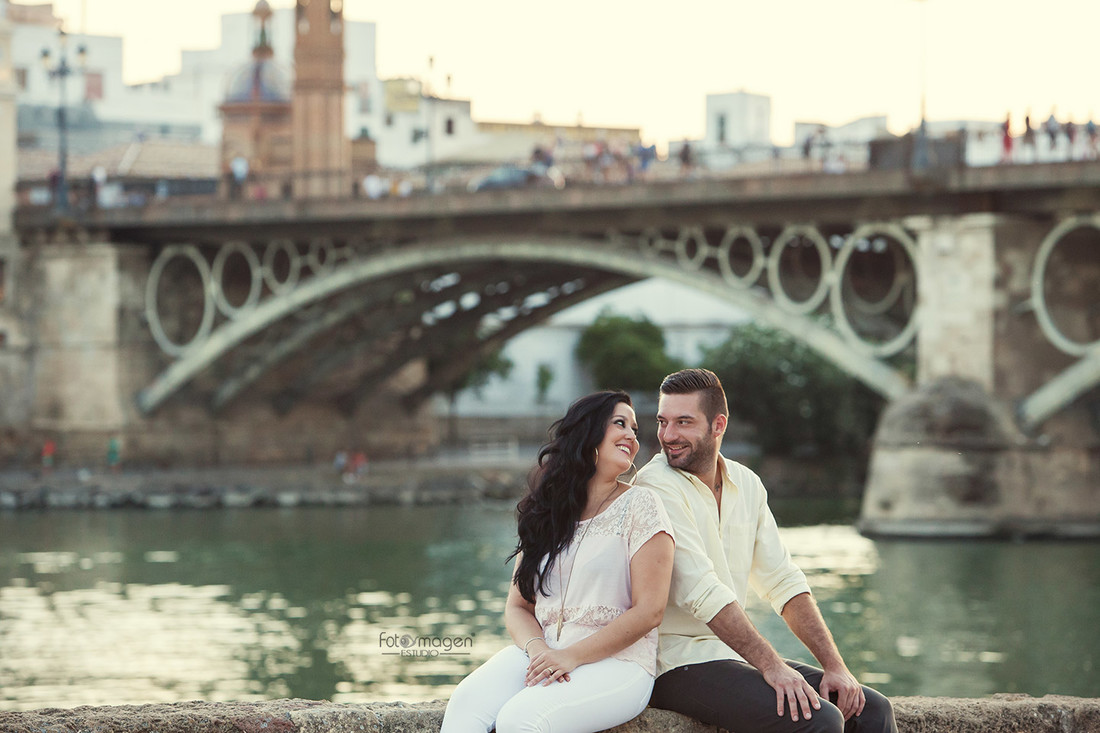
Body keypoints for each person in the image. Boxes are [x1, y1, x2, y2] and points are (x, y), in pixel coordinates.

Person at [637, 368, 897, 733]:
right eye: (662, 422)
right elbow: (702, 592)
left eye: (683, 422)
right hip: (672, 662)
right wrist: (773, 666)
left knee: (871, 710)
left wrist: (835, 666)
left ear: (718, 425)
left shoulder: (747, 484)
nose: (668, 435)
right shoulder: (655, 487)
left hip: (731, 656)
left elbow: (782, 581)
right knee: (819, 720)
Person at [441, 391, 675, 733]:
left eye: (635, 429)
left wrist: (571, 656)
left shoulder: (642, 505)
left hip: (620, 663)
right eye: (620, 423)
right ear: (588, 432)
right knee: (466, 703)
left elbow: (650, 611)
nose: (631, 436)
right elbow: (518, 607)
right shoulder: (548, 511)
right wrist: (539, 649)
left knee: (520, 719)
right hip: (545, 652)